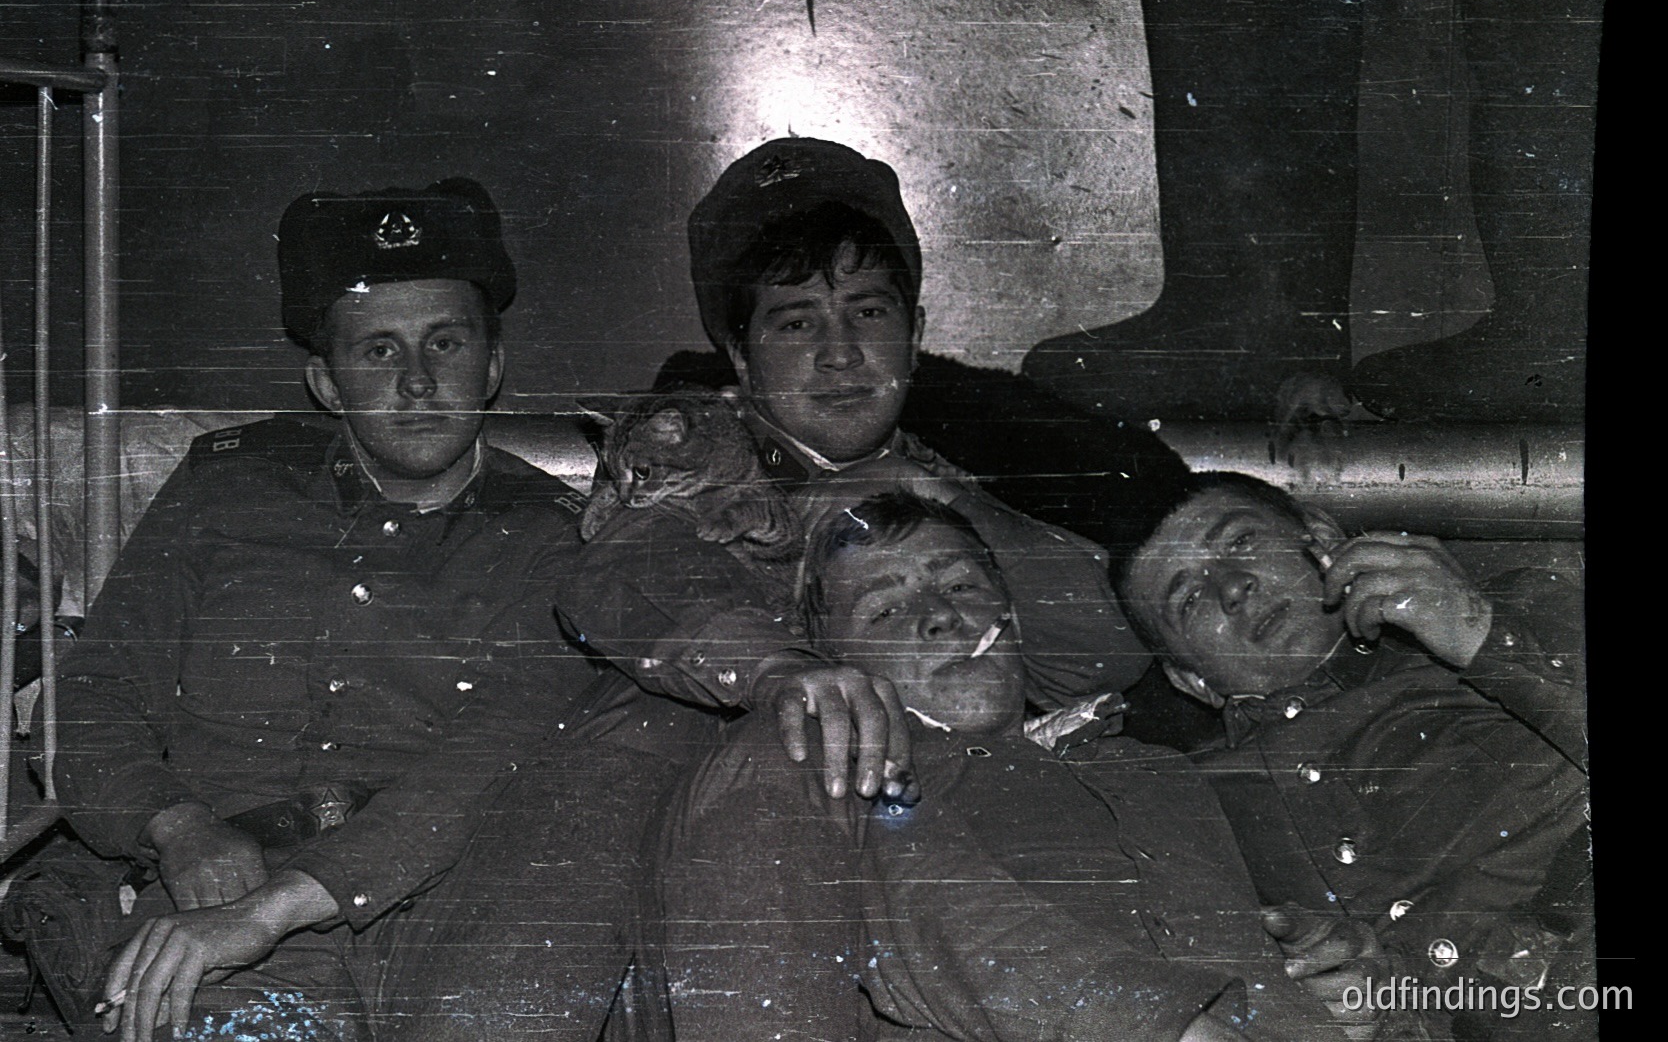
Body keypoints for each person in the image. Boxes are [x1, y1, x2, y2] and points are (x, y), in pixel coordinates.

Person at [18, 179, 708, 1042]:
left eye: (446, 343)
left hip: (443, 919)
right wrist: (176, 826)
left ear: (492, 366)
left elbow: (481, 767)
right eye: (378, 351)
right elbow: (94, 694)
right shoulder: (226, 487)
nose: (418, 381)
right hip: (211, 903)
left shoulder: (559, 546)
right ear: (325, 381)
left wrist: (273, 910)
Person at [555, 136, 1168, 802]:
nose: (839, 354)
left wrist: (927, 491)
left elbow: (1104, 655)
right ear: (739, 355)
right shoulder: (692, 465)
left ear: (915, 336)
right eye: (795, 324)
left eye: (868, 313)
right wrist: (775, 669)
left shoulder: (953, 475)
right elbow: (615, 577)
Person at [649, 492, 1368, 1041]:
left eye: (961, 588)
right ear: (837, 664)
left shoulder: (1158, 770)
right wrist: (1158, 1021)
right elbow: (927, 908)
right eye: (886, 613)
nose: (939, 617)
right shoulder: (836, 761)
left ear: (1011, 619)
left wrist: (1348, 969)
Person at [1112, 471, 1591, 1039]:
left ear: (1320, 537)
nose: (1232, 587)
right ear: (1191, 681)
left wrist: (1477, 631)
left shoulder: (1519, 611)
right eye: (1189, 599)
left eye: (1240, 543)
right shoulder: (1186, 802)